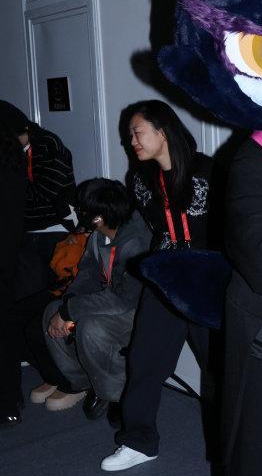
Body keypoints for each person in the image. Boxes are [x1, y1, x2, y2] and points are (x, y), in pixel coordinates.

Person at [100, 100, 213, 471]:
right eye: (130, 135)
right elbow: (156, 228)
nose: (131, 141)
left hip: (207, 279)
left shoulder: (208, 171)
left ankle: (234, 445)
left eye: (137, 133)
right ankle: (139, 441)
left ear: (162, 131)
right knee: (145, 358)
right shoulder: (139, 179)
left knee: (221, 367)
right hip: (164, 276)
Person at [41, 178, 151, 417]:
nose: (78, 213)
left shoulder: (135, 242)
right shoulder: (100, 235)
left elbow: (124, 300)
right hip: (111, 299)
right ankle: (86, 382)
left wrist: (70, 311)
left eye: (83, 210)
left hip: (138, 309)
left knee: (92, 328)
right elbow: (88, 272)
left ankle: (116, 394)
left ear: (97, 218)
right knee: (51, 312)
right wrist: (67, 304)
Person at [0, 101, 77, 232]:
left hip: (52, 227)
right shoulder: (10, 150)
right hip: (21, 226)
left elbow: (46, 194)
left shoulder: (48, 144)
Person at [0, 117, 27, 425]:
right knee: (5, 327)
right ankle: (10, 398)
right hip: (8, 254)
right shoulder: (13, 161)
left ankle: (7, 400)